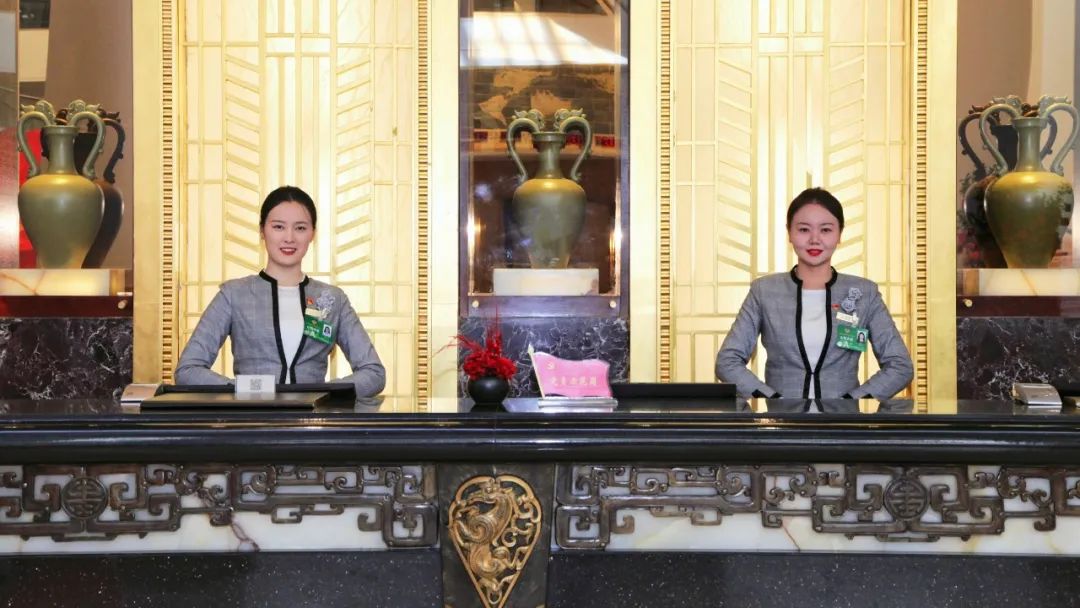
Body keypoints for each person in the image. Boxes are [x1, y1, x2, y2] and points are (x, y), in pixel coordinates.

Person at [175, 186, 386, 396]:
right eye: (278, 227)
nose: (289, 238)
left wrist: (325, 394)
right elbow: (188, 370)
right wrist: (243, 391)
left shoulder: (332, 299)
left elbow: (374, 373)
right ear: (262, 231)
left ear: (313, 233)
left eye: (300, 228)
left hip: (314, 416)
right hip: (251, 415)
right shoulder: (233, 294)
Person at [715, 187, 913, 400]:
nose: (815, 239)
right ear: (789, 233)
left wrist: (853, 402)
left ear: (840, 234)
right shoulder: (764, 291)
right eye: (804, 230)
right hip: (781, 418)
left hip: (844, 419)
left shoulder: (865, 293)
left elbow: (900, 365)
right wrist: (771, 399)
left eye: (826, 230)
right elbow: (727, 362)